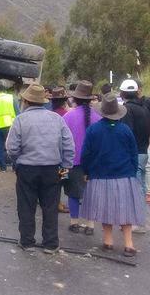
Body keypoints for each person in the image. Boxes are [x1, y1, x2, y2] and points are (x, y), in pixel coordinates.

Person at [6, 83, 75, 254]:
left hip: (27, 169)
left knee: (26, 205)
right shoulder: (57, 119)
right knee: (50, 206)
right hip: (53, 169)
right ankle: (51, 244)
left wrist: (17, 161)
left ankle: (27, 241)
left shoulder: (20, 120)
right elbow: (69, 145)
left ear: (27, 101)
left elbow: (11, 148)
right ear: (43, 101)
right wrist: (65, 168)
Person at [80, 93, 146, 257]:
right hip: (124, 176)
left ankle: (108, 241)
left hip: (100, 176)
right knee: (126, 211)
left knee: (105, 210)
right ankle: (129, 245)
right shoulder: (125, 130)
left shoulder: (93, 130)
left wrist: (87, 171)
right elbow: (133, 153)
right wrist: (131, 172)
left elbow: (86, 154)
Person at [62, 80, 100, 234]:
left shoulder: (68, 116)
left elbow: (62, 140)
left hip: (73, 161)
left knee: (73, 192)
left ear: (75, 99)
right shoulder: (99, 117)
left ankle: (74, 222)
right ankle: (90, 225)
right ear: (90, 99)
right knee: (91, 194)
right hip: (94, 163)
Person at [119, 78, 150, 233]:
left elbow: (127, 133)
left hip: (133, 153)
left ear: (123, 93)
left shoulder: (127, 110)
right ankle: (141, 220)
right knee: (142, 186)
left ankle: (136, 222)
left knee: (135, 188)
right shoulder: (143, 108)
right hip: (143, 150)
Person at [0, 79, 19, 172]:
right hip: (10, 125)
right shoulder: (11, 98)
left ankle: (3, 167)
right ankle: (14, 167)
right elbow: (17, 112)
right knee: (13, 146)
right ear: (6, 89)